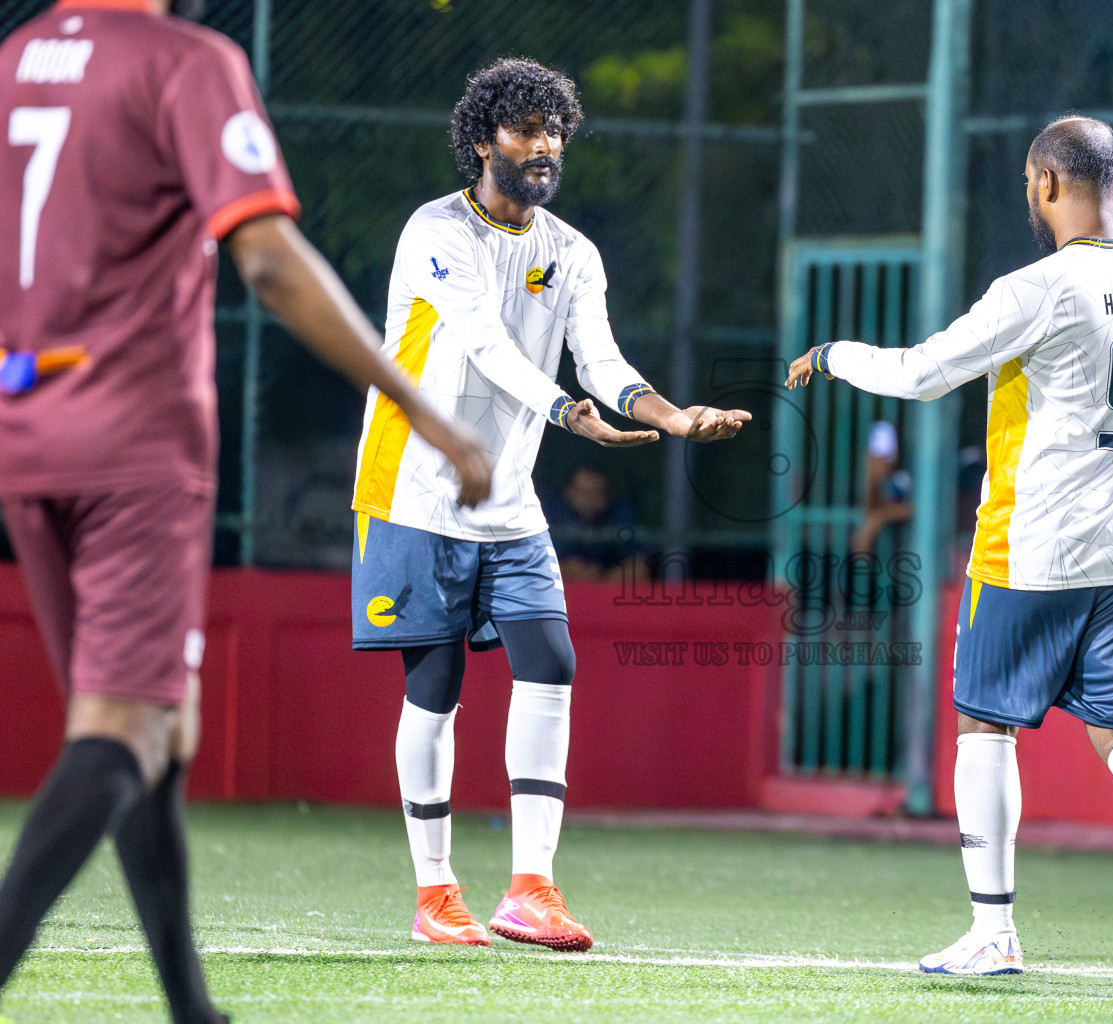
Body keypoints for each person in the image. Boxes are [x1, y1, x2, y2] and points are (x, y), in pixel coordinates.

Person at [0, 2, 492, 1022]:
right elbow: (266, 257)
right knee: (121, 729)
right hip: (132, 443)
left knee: (154, 728)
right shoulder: (185, 62)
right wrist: (420, 408)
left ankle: (193, 1009)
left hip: (25, 433)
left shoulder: (15, 61)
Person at [787, 116, 1113, 988]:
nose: (1030, 195)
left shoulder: (1040, 286)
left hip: (1032, 547)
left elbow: (920, 373)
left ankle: (994, 932)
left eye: (1031, 182)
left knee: (983, 723)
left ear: (1049, 182)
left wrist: (834, 355)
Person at [350, 57, 750, 953]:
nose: (546, 147)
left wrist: (669, 415)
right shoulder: (436, 231)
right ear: (482, 139)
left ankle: (531, 887)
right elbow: (485, 345)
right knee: (434, 688)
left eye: (556, 132)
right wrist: (570, 414)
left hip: (510, 497)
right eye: (527, 130)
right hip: (414, 487)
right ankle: (435, 892)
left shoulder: (572, 251)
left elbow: (599, 357)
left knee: (552, 662)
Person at [544, 464, 648, 582]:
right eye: (584, 492)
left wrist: (600, 579)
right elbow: (535, 563)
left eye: (598, 492)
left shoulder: (620, 514)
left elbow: (639, 566)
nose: (590, 499)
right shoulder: (548, 514)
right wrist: (565, 569)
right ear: (568, 492)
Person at [851, 420, 913, 555]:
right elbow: (869, 508)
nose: (879, 462)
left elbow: (916, 508)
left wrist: (881, 516)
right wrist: (871, 480)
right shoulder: (872, 478)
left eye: (883, 458)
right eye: (875, 458)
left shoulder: (904, 477)